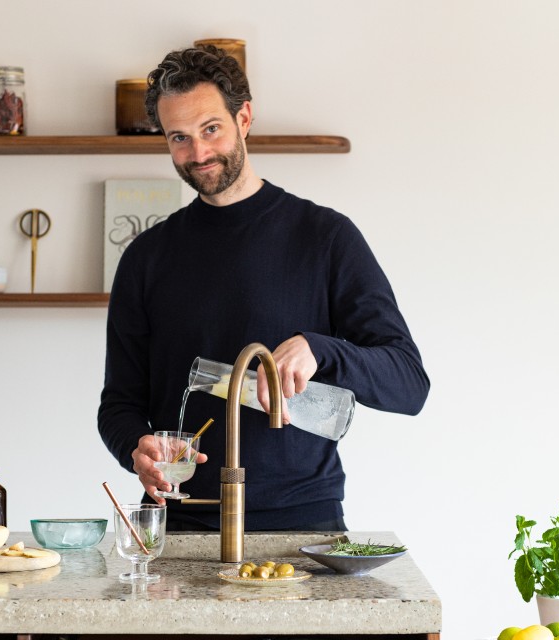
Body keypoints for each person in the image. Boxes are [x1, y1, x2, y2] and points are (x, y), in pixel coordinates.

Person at [98, 45, 430, 532]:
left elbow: (409, 384)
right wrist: (136, 449)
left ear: (244, 118)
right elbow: (120, 404)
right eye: (179, 138)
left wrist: (321, 350)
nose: (199, 154)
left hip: (303, 528)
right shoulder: (146, 257)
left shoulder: (326, 238)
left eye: (211, 129)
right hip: (181, 528)